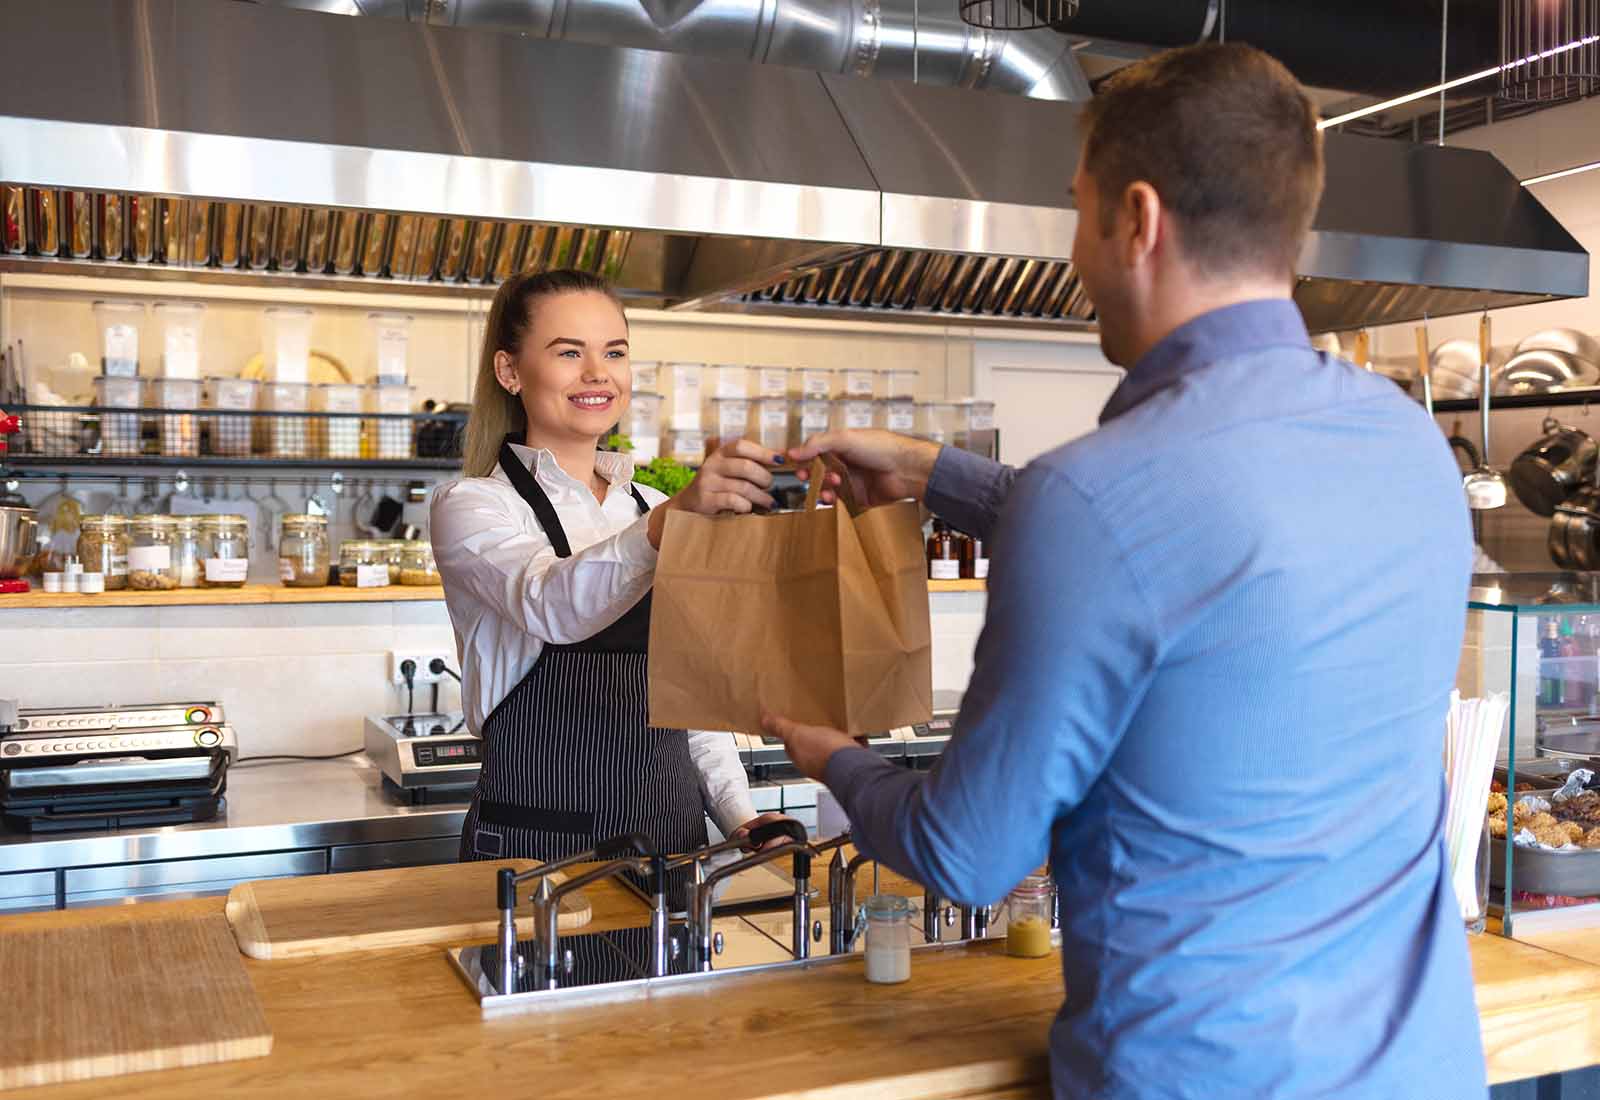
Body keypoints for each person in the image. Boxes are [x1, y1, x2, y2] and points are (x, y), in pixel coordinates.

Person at [764, 43, 1486, 1100]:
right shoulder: (1411, 444)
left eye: (1075, 209)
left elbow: (964, 851)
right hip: (1416, 1068)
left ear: (1136, 220)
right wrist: (931, 471)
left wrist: (828, 752)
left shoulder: (1094, 499)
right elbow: (1203, 559)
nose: (1072, 250)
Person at [431, 269, 791, 874]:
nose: (598, 373)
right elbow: (553, 603)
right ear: (510, 372)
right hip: (538, 855)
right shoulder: (472, 506)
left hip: (672, 849)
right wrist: (677, 521)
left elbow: (691, 699)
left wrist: (740, 815)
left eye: (614, 352)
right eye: (569, 352)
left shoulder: (650, 506)